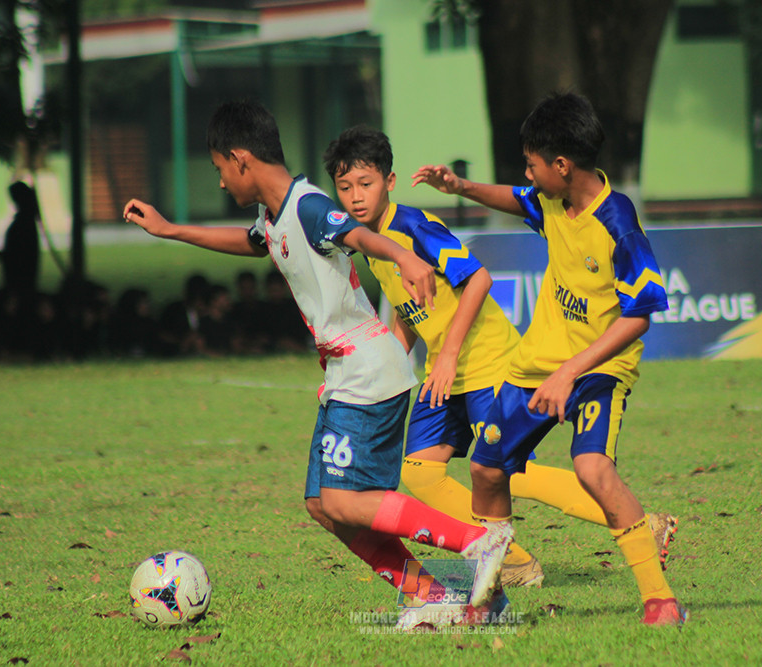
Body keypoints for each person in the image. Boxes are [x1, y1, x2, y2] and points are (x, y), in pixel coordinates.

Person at [123, 99, 515, 629]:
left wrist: (403, 256)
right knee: (321, 504)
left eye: (219, 169)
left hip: (369, 370)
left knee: (347, 501)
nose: (220, 183)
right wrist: (171, 230)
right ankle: (428, 594)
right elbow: (254, 243)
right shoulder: (274, 213)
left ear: (240, 160)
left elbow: (355, 235)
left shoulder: (308, 206)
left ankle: (479, 541)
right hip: (344, 373)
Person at [322, 125, 679, 591]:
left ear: (389, 182)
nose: (354, 197)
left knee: (509, 469)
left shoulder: (414, 228)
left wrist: (448, 355)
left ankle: (639, 526)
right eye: (344, 188)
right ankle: (511, 556)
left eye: (364, 185)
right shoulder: (370, 242)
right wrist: (386, 364)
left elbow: (478, 279)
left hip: (486, 361)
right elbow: (410, 309)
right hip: (444, 371)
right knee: (420, 471)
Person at [412, 92, 688, 626]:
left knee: (593, 469)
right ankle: (490, 599)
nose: (528, 174)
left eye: (533, 164)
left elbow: (641, 315)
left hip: (599, 370)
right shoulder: (555, 199)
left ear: (562, 165)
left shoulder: (618, 222)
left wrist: (570, 372)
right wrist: (462, 188)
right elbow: (519, 198)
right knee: (486, 470)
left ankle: (660, 599)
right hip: (534, 366)